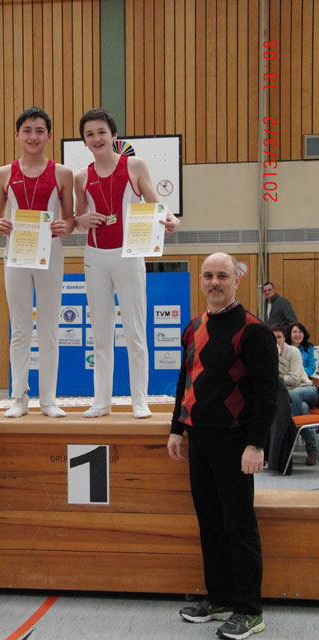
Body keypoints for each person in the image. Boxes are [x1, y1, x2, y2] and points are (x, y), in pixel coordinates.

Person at [167, 253, 278, 640]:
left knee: (239, 526)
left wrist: (255, 444)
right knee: (210, 524)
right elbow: (185, 380)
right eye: (208, 275)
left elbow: (267, 394)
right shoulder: (194, 326)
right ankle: (219, 598)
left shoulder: (254, 330)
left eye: (222, 276)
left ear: (236, 280)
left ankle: (249, 610)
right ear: (201, 280)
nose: (215, 282)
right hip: (198, 439)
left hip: (235, 442)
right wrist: (176, 429)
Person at [74, 107, 180, 419]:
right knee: (100, 333)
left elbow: (156, 204)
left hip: (129, 254)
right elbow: (77, 218)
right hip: (95, 256)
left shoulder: (134, 165)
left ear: (114, 135)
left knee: (135, 331)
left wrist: (172, 219)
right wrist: (82, 219)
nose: (96, 138)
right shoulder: (81, 176)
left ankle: (139, 401)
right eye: (90, 134)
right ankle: (101, 401)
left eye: (101, 132)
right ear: (84, 141)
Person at [0, 106, 74, 418]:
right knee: (21, 328)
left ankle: (49, 398)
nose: (33, 136)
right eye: (27, 130)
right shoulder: (3, 174)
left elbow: (70, 219)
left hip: (50, 252)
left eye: (40, 131)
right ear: (17, 134)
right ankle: (19, 397)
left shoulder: (62, 173)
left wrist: (66, 226)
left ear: (49, 136)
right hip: (17, 253)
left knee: (49, 327)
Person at [273, 325, 318, 465]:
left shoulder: (293, 351)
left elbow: (294, 380)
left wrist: (278, 375)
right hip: (288, 394)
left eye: (279, 337)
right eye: (273, 338)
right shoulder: (268, 353)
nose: (276, 340)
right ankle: (313, 452)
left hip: (306, 388)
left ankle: (290, 434)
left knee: (296, 394)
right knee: (303, 407)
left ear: (284, 338)